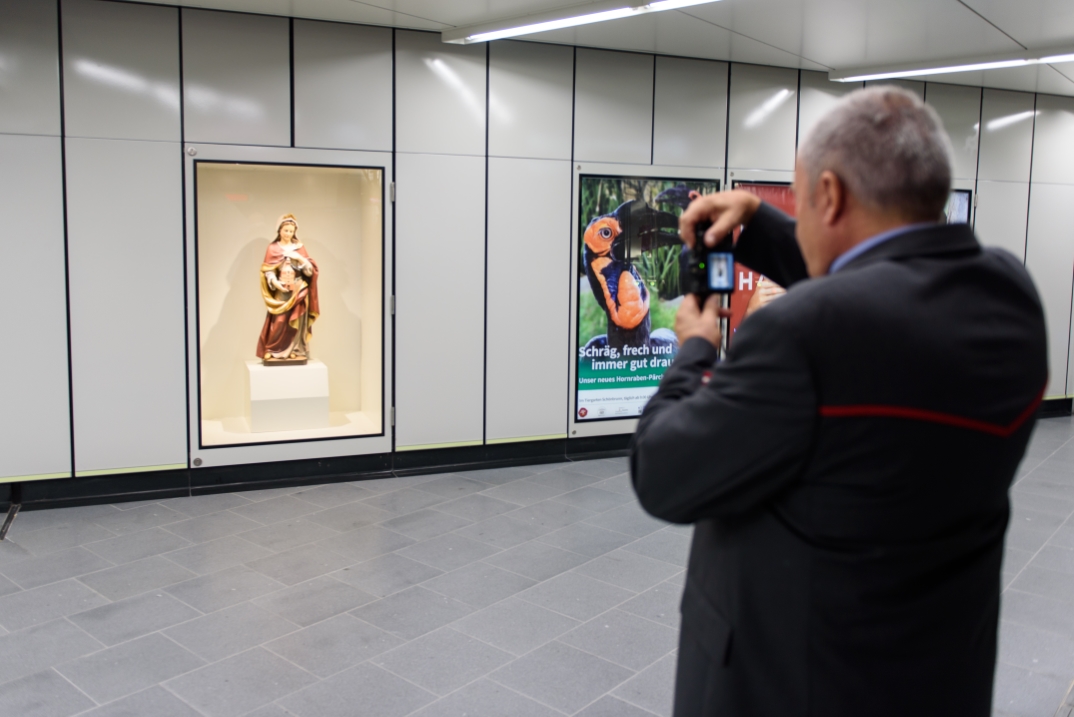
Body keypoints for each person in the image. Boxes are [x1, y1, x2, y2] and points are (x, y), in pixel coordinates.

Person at [630, 86, 1048, 717]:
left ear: (830, 195)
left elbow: (662, 471)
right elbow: (882, 293)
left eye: (800, 203)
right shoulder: (1008, 300)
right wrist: (763, 224)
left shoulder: (799, 339)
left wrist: (693, 351)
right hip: (936, 679)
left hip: (795, 686)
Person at [257, 213, 320, 362]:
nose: (288, 234)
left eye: (291, 231)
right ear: (279, 230)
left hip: (299, 288)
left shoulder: (299, 248)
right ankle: (272, 349)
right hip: (282, 289)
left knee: (298, 321)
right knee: (279, 321)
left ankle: (296, 349)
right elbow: (269, 270)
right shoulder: (272, 248)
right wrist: (275, 282)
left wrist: (299, 258)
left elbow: (310, 272)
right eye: (286, 230)